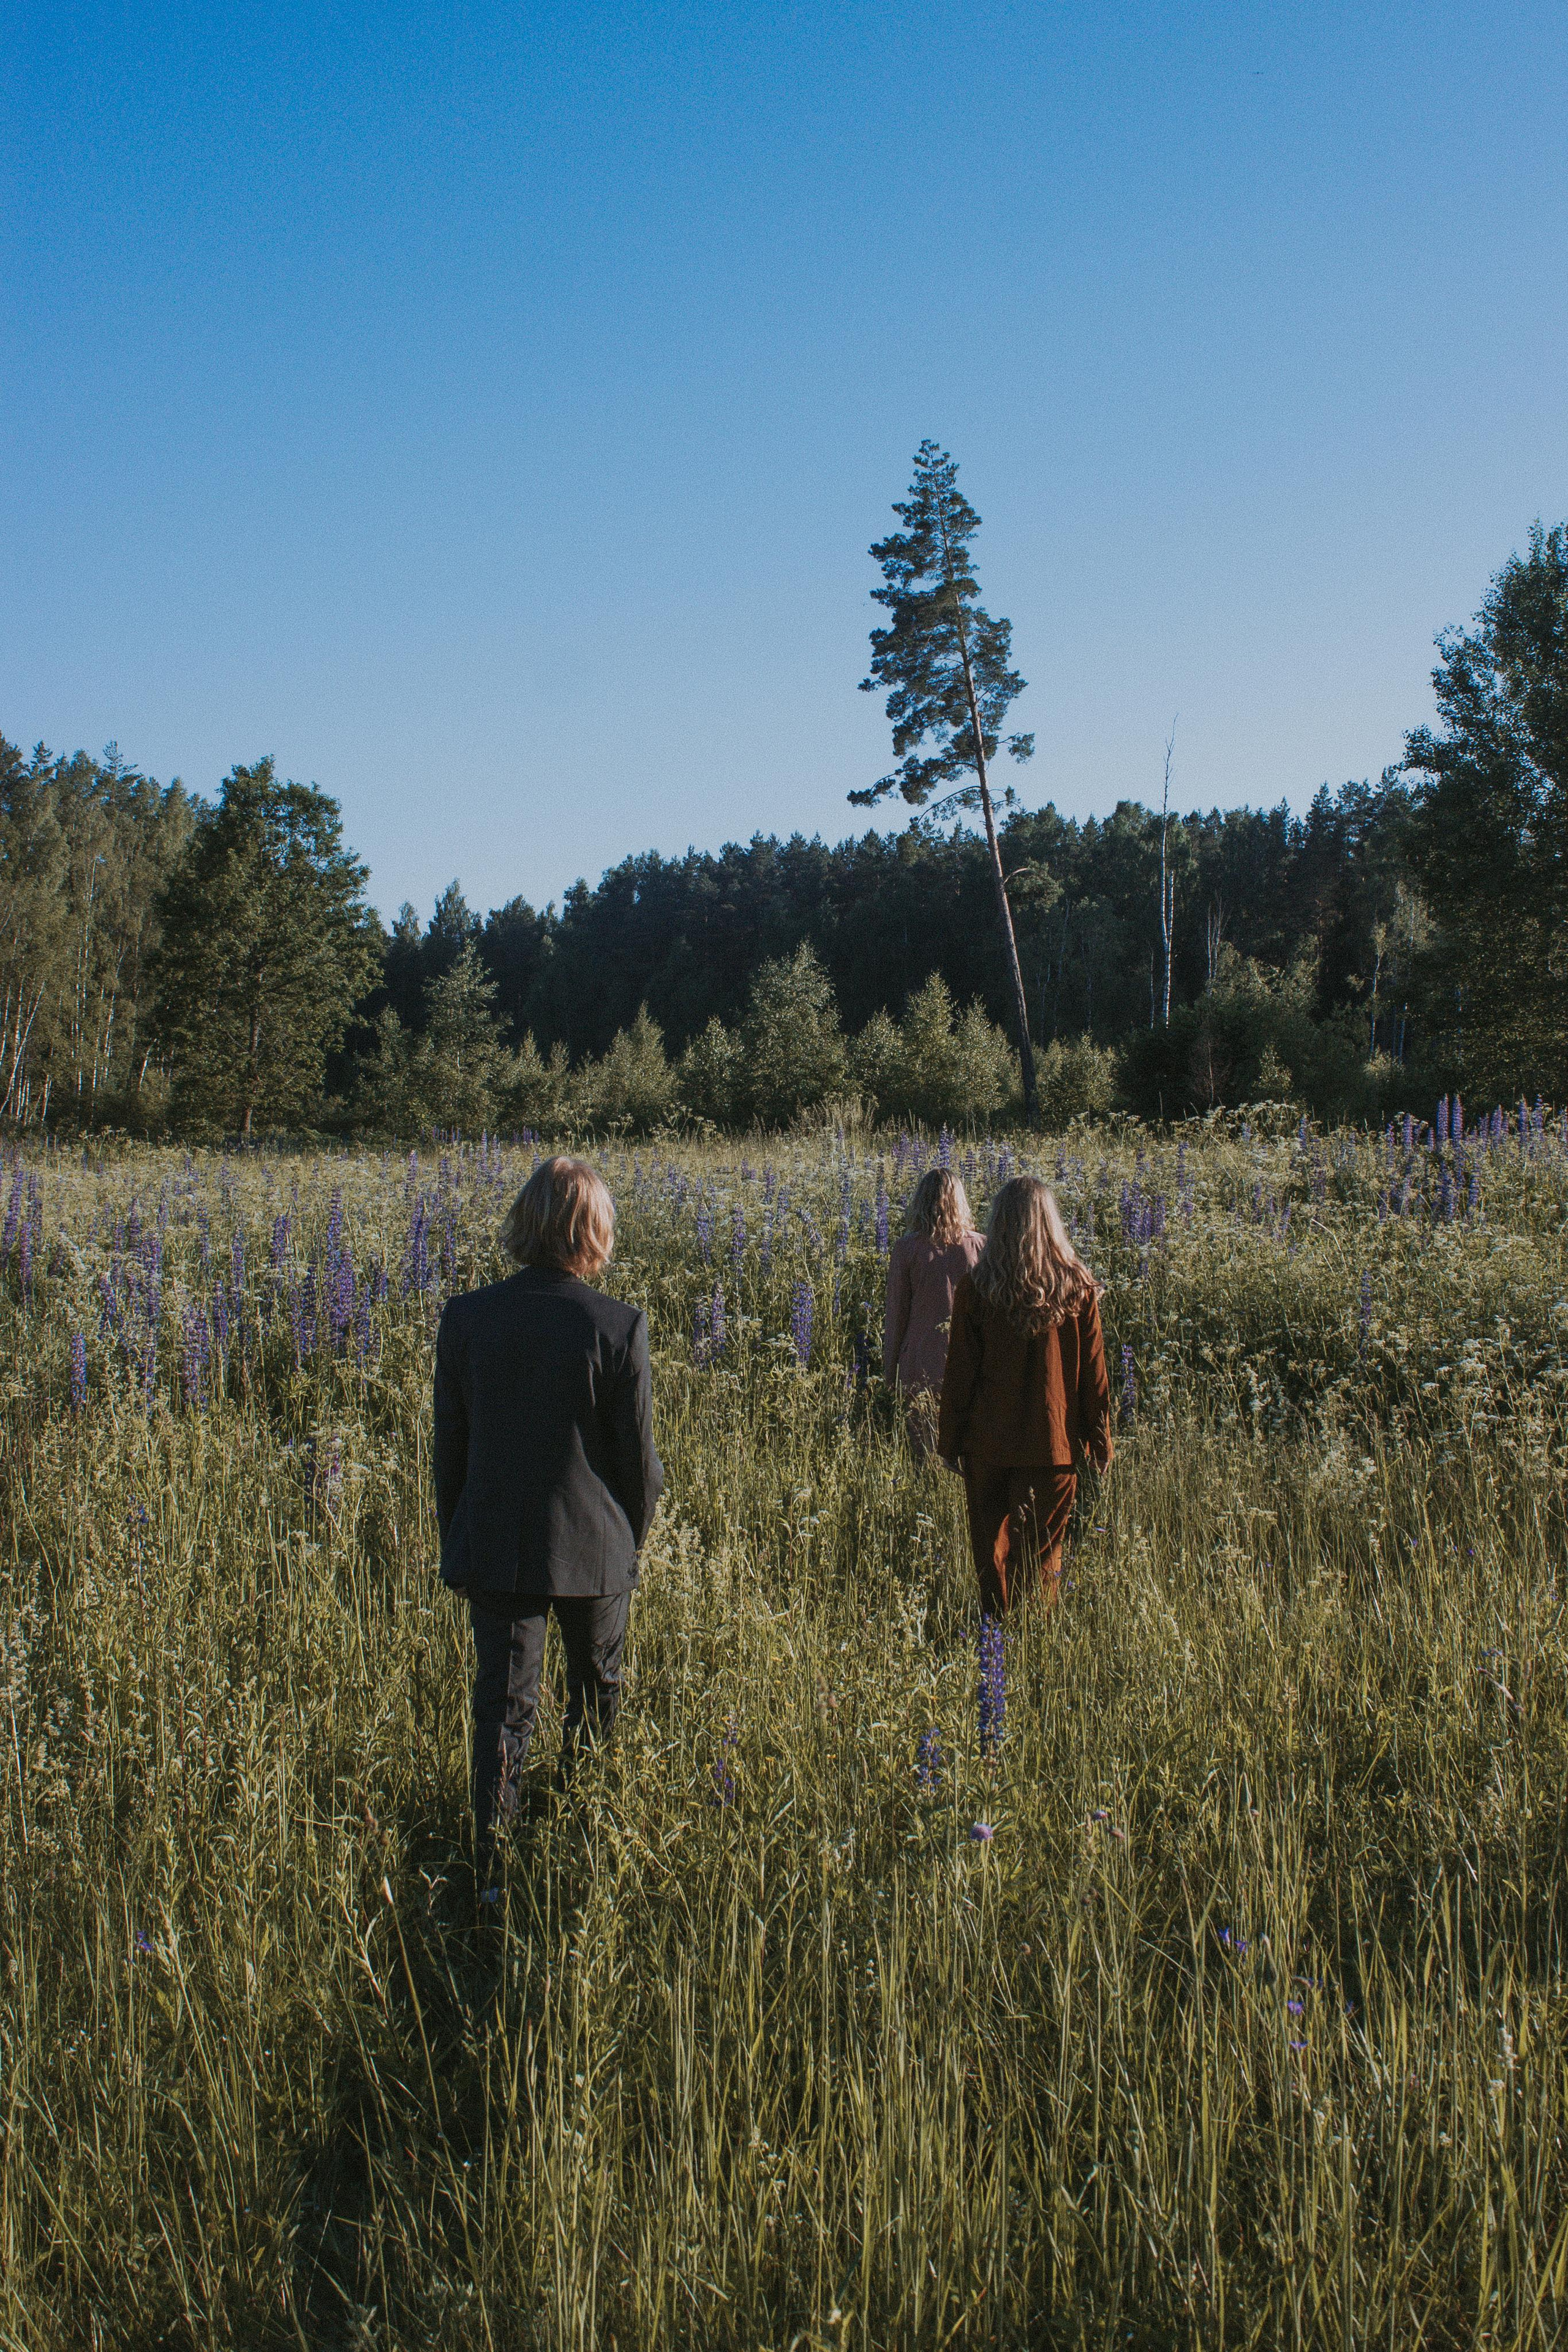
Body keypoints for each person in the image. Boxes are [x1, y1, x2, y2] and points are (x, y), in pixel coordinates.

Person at [434, 1155, 663, 1863]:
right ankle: (584, 1844)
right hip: (595, 1547)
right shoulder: (617, 1326)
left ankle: (492, 1867)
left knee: (502, 1710)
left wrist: (460, 1541)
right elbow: (639, 1464)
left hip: (497, 1541)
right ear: (592, 1230)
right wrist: (630, 1540)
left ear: (526, 1222)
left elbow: (452, 1450)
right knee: (595, 1698)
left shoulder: (467, 1317)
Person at [937, 1175, 1112, 1614]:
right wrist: (1100, 1440)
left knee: (991, 1560)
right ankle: (1030, 1645)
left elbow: (959, 1376)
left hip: (988, 1444)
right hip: (1052, 1447)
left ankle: (994, 1641)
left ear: (999, 1224)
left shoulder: (978, 1288)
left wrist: (950, 1442)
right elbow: (1095, 1378)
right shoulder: (1079, 1288)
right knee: (1040, 1562)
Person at [882, 1169, 985, 1458]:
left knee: (923, 1453)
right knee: (968, 1449)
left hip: (920, 1361)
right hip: (971, 1359)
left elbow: (896, 1315)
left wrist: (890, 1370)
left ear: (920, 1201)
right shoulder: (981, 1246)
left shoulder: (906, 1249)